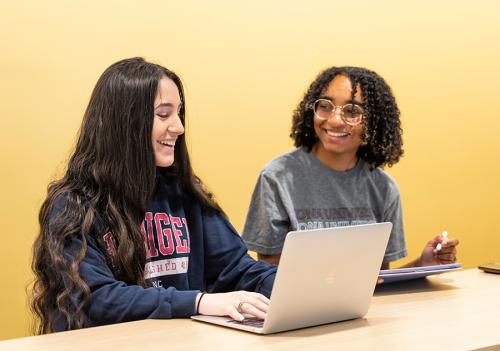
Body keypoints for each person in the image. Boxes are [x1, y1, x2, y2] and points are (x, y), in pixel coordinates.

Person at [31, 57, 276, 334]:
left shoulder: (185, 194)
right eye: (163, 115)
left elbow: (238, 270)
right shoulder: (72, 205)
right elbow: (94, 298)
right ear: (125, 123)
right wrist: (197, 302)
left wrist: (296, 285)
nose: (179, 127)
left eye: (179, 113)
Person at [242, 66, 459, 268]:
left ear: (375, 122)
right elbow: (270, 277)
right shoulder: (277, 178)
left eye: (352, 111)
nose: (335, 120)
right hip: (297, 309)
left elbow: (377, 283)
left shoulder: (384, 188)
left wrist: (422, 264)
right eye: (325, 106)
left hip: (364, 310)